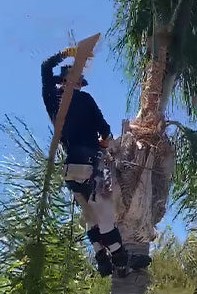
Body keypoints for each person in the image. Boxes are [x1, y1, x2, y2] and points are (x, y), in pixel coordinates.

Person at [41, 46, 149, 276]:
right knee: (105, 215)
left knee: (91, 215)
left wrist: (65, 53)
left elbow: (44, 67)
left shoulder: (52, 102)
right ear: (77, 83)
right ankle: (120, 259)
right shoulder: (85, 100)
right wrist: (105, 144)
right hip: (90, 165)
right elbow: (106, 133)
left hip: (71, 170)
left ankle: (101, 257)